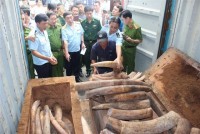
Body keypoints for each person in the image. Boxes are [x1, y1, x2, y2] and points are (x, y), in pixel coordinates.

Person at [28, 14, 57, 78]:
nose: (46, 25)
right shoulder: (33, 35)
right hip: (41, 63)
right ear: (37, 23)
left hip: (48, 60)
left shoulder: (44, 31)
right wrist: (48, 58)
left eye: (46, 23)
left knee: (50, 79)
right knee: (44, 82)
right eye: (44, 23)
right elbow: (34, 52)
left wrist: (51, 56)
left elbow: (47, 46)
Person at [62, 11, 85, 82]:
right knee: (69, 67)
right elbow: (65, 41)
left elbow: (81, 34)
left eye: (71, 17)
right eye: (67, 18)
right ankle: (69, 80)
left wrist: (83, 43)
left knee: (77, 65)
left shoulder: (78, 24)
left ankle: (77, 78)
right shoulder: (64, 28)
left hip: (77, 49)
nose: (70, 19)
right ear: (65, 19)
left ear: (73, 17)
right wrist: (66, 53)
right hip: (69, 51)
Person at [81, 6, 101, 77]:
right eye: (87, 13)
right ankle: (88, 70)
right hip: (86, 43)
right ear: (85, 13)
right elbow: (82, 34)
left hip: (95, 42)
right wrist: (82, 43)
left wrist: (99, 42)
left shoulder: (97, 21)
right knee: (86, 57)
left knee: (94, 57)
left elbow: (99, 32)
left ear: (92, 13)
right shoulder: (82, 23)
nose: (89, 15)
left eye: (90, 13)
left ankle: (95, 69)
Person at [121, 10, 143, 74]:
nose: (123, 21)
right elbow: (125, 33)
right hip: (124, 47)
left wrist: (132, 40)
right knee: (123, 64)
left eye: (123, 19)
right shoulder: (126, 25)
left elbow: (140, 40)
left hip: (131, 49)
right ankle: (122, 77)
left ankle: (129, 79)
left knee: (130, 65)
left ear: (128, 18)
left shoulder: (136, 27)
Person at [46, 12, 64, 77]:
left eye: (55, 19)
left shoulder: (59, 26)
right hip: (52, 53)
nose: (54, 21)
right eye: (52, 19)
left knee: (61, 69)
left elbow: (62, 37)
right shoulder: (45, 29)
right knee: (54, 71)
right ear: (47, 19)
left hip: (60, 51)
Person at [21, 11, 35, 78]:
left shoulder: (28, 29)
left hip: (30, 54)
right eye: (21, 19)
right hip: (21, 57)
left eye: (23, 19)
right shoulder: (15, 30)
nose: (22, 21)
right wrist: (27, 38)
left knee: (31, 71)